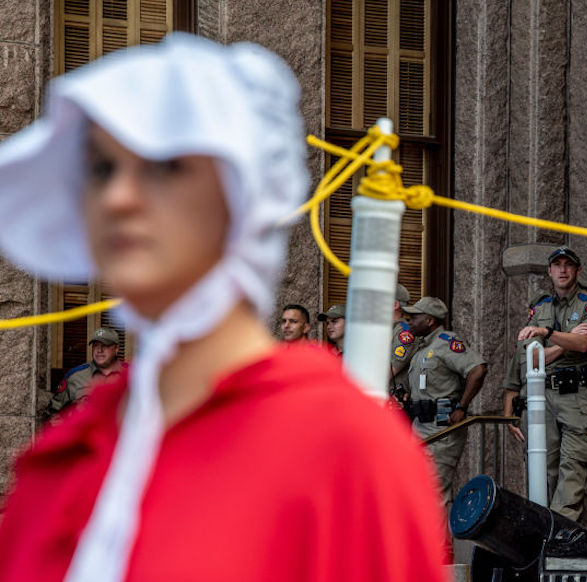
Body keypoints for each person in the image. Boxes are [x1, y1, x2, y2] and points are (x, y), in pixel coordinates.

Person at [0, 35, 446, 582]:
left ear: (244, 186)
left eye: (165, 165)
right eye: (100, 169)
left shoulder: (338, 447)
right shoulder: (68, 454)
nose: (118, 198)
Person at [516, 246, 587, 522]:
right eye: (557, 265)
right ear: (549, 271)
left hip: (577, 396)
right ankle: (559, 529)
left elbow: (584, 344)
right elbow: (532, 359)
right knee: (547, 468)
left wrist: (547, 335)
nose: (563, 270)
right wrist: (563, 337)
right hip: (544, 396)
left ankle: (558, 532)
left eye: (568, 265)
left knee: (573, 467)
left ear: (578, 270)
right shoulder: (540, 308)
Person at [403, 296, 488, 506]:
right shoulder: (421, 348)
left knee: (432, 494)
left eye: (415, 317)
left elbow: (477, 370)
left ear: (430, 320)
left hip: (440, 429)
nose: (409, 321)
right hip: (419, 427)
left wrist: (462, 407)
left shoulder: (446, 343)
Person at [47, 327, 128, 419]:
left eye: (105, 346)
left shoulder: (132, 375)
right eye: (96, 345)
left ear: (116, 349)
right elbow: (53, 412)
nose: (99, 350)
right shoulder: (75, 377)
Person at [389, 283, 418, 400]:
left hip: (395, 403)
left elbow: (387, 373)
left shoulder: (404, 332)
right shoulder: (385, 331)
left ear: (395, 305)